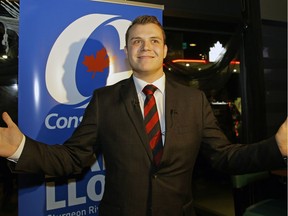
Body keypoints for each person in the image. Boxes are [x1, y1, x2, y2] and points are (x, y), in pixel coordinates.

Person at [0, 15, 287, 216]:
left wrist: (276, 148)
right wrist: (20, 149)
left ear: (164, 50)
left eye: (153, 41)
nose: (145, 46)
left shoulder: (194, 100)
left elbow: (225, 157)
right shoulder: (105, 100)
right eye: (136, 41)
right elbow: (73, 158)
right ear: (127, 52)